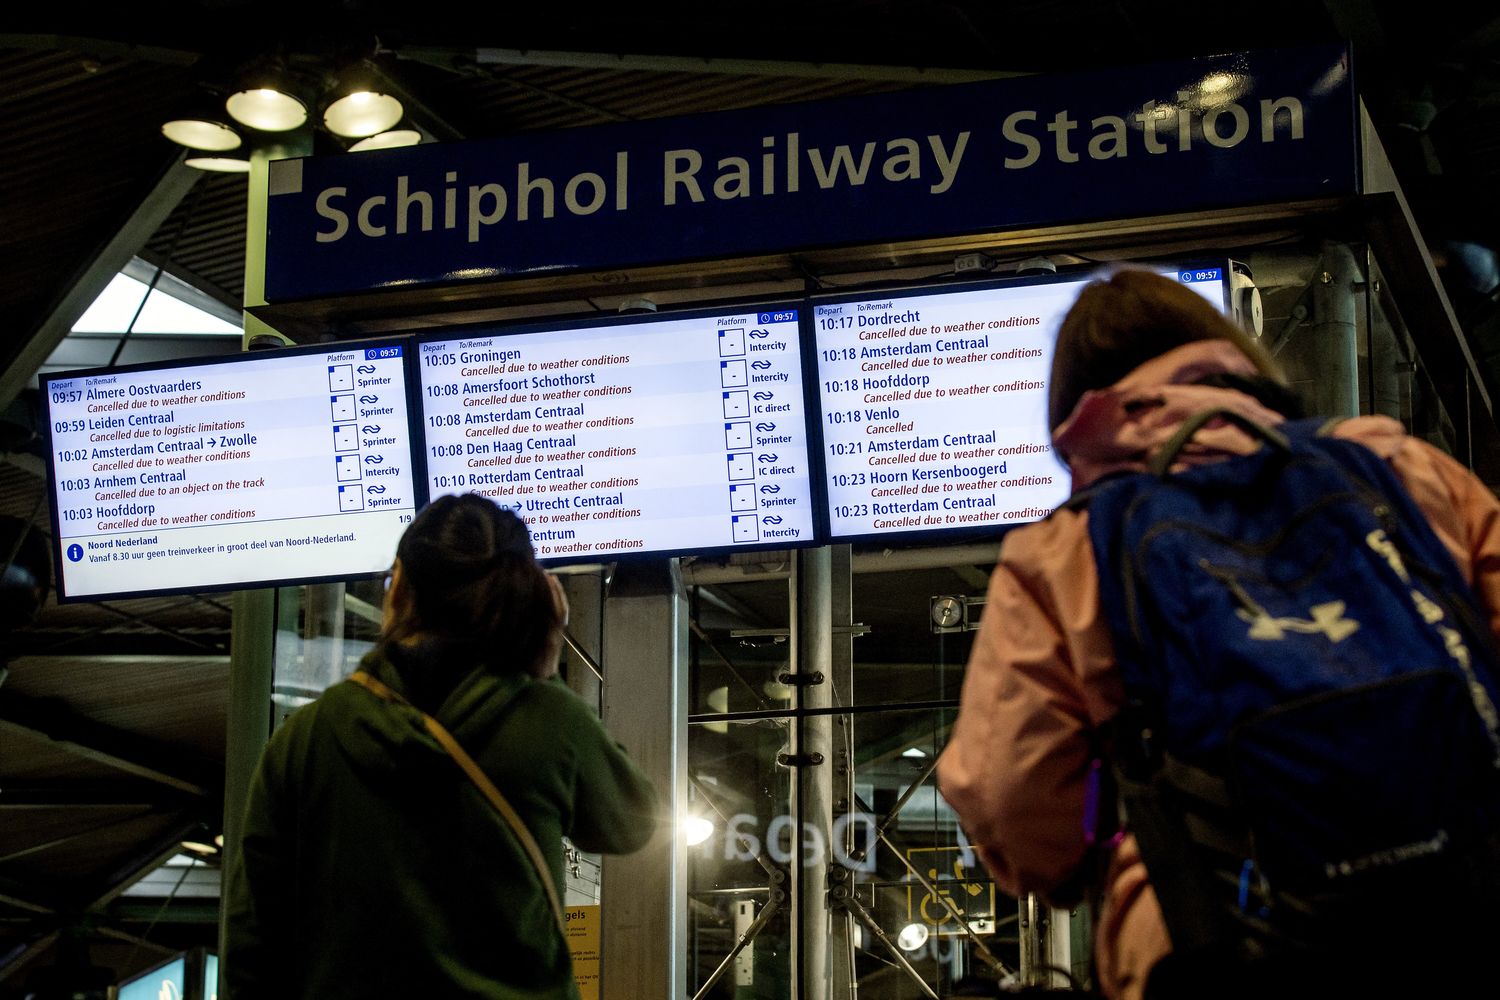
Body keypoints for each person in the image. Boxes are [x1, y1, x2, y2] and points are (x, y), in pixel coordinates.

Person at [935, 267, 1500, 1000]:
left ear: (1076, 411)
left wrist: (1088, 850)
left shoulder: (1065, 550)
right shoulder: (1400, 467)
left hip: (1209, 938)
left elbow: (1016, 804)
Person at [225, 494, 660, 999]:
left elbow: (253, 937)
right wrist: (543, 670)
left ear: (399, 589)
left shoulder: (308, 737)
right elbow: (633, 821)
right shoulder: (548, 722)